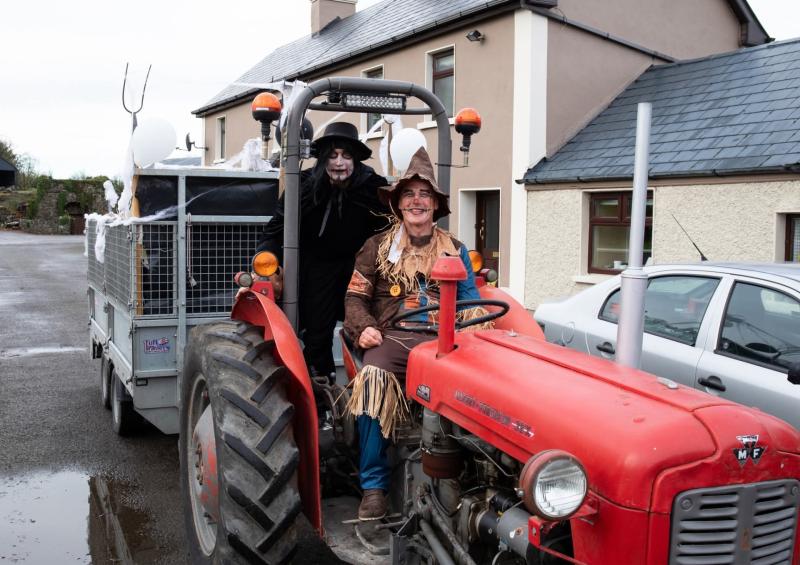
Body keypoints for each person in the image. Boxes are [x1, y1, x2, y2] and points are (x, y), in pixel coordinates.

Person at [343, 147, 490, 520]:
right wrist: (365, 329)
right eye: (408, 194)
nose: (416, 201)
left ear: (436, 206)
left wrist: (473, 327)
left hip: (442, 340)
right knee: (374, 379)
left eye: (424, 195)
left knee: (483, 385)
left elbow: (470, 301)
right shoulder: (376, 248)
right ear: (398, 204)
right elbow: (355, 298)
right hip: (391, 338)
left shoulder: (454, 249)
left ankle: (471, 477)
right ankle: (374, 487)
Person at [257, 122, 391, 379]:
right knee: (317, 330)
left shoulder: (373, 186)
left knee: (369, 325)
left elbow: (389, 230)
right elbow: (275, 228)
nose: (339, 162)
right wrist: (268, 260)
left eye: (346, 156)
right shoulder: (304, 184)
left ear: (356, 159)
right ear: (323, 158)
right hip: (316, 267)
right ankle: (322, 383)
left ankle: (369, 379)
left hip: (360, 268)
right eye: (332, 155)